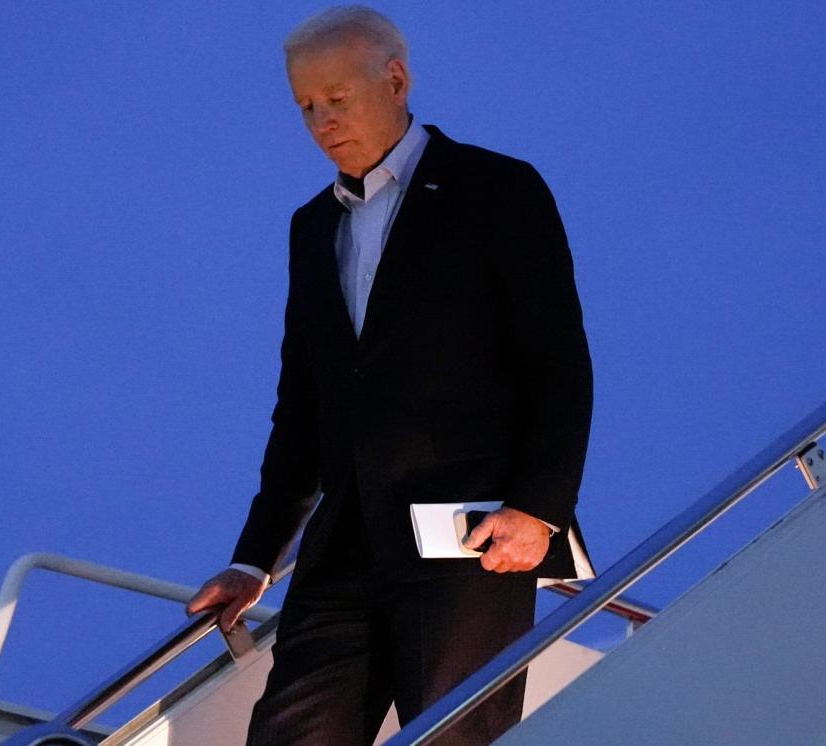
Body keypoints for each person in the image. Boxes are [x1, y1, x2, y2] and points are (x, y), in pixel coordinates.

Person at [187, 6, 594, 744]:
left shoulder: (496, 188)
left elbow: (557, 362)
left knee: (453, 736)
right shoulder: (311, 228)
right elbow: (302, 409)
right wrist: (254, 557)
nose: (320, 122)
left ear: (396, 79)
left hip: (466, 537)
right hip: (342, 550)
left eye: (336, 99)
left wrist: (540, 509)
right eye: (306, 106)